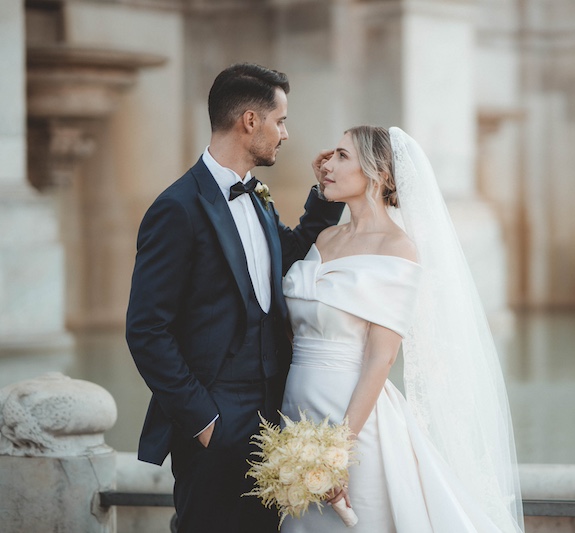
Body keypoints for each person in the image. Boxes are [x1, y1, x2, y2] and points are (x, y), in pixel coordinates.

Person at [125, 63, 344, 532]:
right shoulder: (176, 208)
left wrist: (326, 198)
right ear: (250, 121)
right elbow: (146, 329)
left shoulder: (259, 197)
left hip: (273, 414)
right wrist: (204, 421)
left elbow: (284, 256)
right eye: (280, 121)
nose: (285, 134)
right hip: (215, 415)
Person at [280, 126, 524, 532]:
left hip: (351, 420)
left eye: (342, 156)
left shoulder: (398, 248)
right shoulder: (324, 237)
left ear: (379, 175)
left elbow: (382, 356)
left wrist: (339, 450)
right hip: (295, 412)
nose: (326, 164)